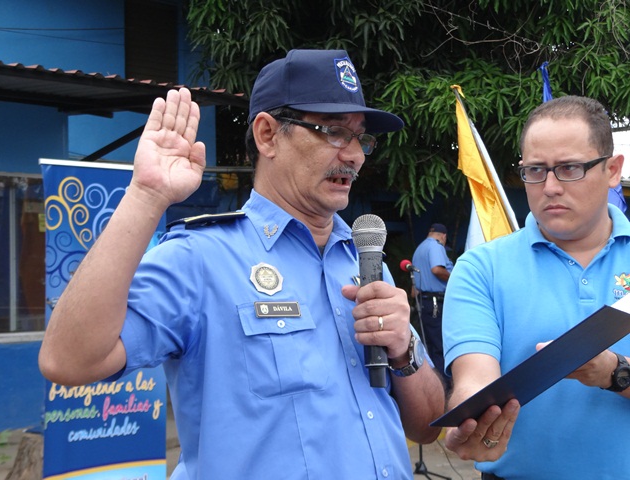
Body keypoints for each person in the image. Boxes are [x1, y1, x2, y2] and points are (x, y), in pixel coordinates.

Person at [38, 49, 445, 480]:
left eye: (361, 138)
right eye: (333, 131)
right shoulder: (200, 258)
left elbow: (427, 427)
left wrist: (404, 352)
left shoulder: (364, 261)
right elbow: (68, 361)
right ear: (267, 135)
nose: (355, 155)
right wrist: (146, 195)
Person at [442, 95, 630, 479]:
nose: (550, 187)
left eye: (569, 168)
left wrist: (614, 373)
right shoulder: (481, 268)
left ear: (612, 170)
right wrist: (471, 420)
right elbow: (474, 377)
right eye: (535, 170)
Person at [411, 223, 453, 384]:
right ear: (443, 236)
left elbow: (414, 290)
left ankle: (437, 383)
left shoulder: (419, 250)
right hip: (436, 303)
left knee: (431, 346)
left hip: (425, 303)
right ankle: (446, 385)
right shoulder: (436, 246)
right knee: (441, 347)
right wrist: (456, 280)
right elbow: (437, 270)